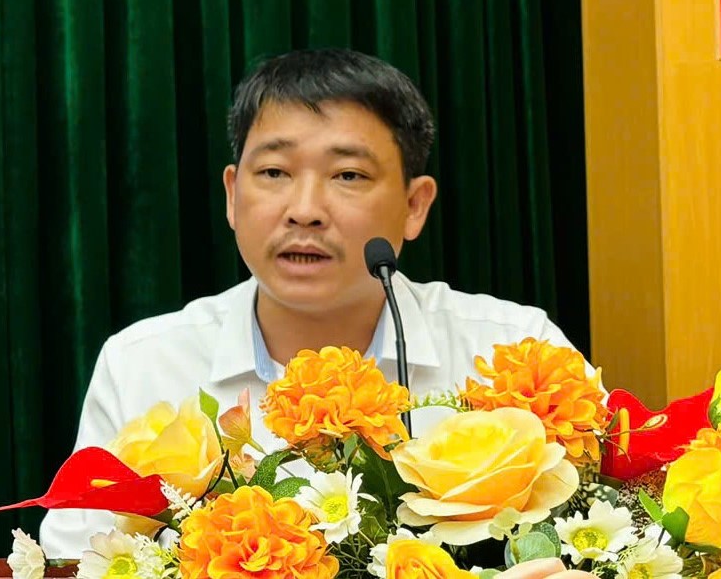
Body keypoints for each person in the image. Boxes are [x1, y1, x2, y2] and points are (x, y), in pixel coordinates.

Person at [38, 48, 578, 555]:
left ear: (415, 205)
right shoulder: (144, 365)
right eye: (274, 172)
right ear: (232, 195)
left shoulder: (518, 354)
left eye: (348, 175)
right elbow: (78, 558)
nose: (305, 210)